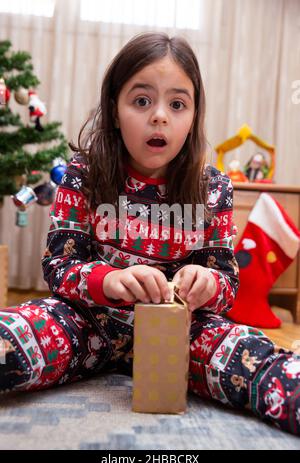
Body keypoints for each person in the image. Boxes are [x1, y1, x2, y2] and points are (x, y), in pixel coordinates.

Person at [0, 32, 299, 436]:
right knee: (13, 338)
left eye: (177, 104)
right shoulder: (83, 173)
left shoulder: (213, 188)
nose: (159, 116)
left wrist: (208, 282)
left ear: (193, 115)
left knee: (255, 360)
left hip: (181, 329)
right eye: (141, 101)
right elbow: (59, 265)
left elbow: (227, 283)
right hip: (87, 321)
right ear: (114, 108)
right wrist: (111, 280)